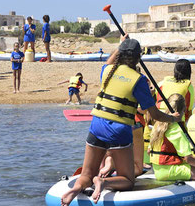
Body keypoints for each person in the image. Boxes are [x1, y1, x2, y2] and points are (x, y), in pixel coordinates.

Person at [60, 37, 182, 206]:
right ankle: (104, 182)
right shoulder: (139, 80)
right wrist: (173, 118)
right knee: (128, 179)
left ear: (120, 54)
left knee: (86, 174)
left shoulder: (108, 71)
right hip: (119, 130)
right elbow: (153, 114)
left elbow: (110, 60)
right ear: (138, 58)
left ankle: (76, 188)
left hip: (97, 125)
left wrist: (120, 45)